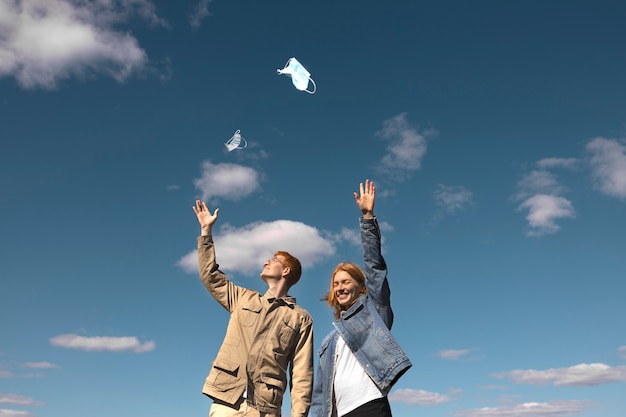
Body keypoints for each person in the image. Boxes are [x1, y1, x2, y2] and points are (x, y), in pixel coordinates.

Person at [193, 200, 314, 417]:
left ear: (286, 270)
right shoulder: (243, 298)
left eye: (274, 259)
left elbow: (302, 374)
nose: (266, 262)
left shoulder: (300, 319)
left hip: (265, 410)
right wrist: (206, 233)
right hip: (227, 403)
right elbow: (210, 277)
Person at [310, 180, 412, 417]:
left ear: (361, 287)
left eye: (346, 282)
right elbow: (319, 393)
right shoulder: (328, 343)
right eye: (336, 284)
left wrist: (367, 218)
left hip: (369, 405)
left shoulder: (374, 313)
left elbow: (375, 268)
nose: (340, 287)